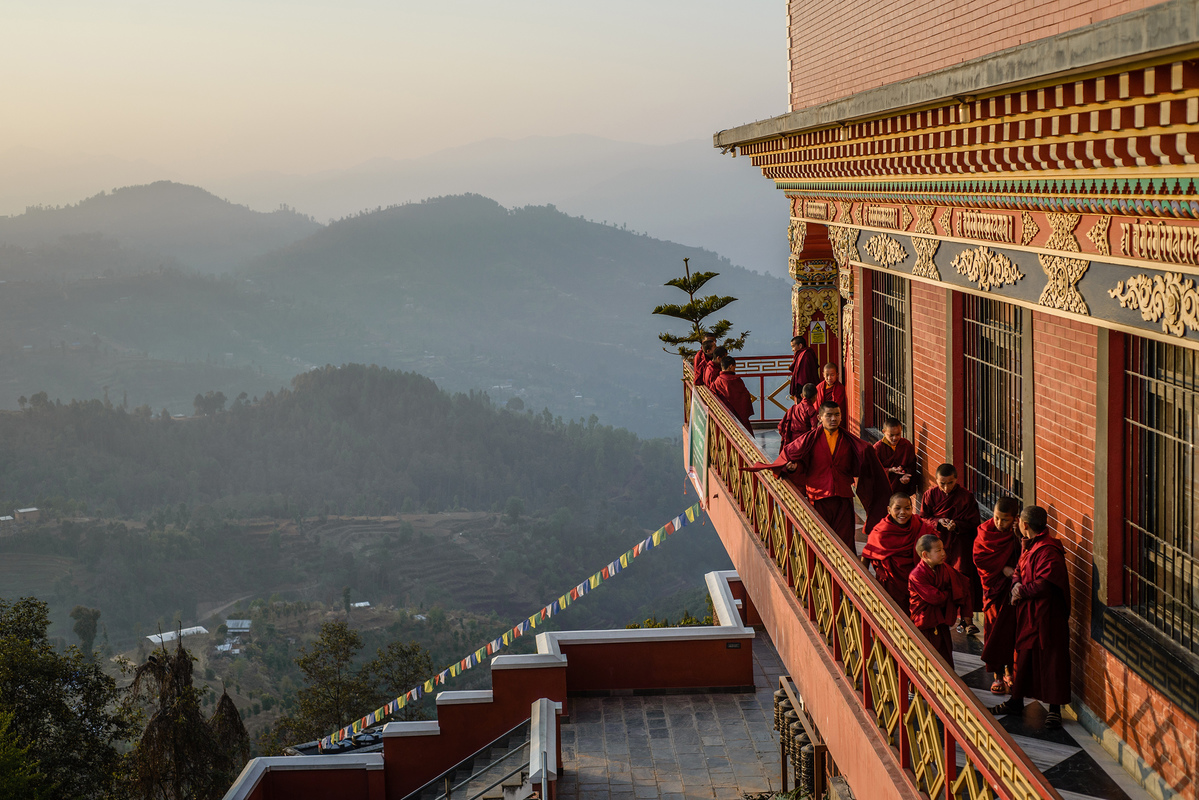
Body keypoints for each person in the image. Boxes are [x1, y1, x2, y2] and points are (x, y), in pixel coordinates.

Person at [746, 400, 890, 552]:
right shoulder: (810, 440)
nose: (833, 419)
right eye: (829, 415)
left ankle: (841, 574)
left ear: (841, 417)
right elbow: (796, 458)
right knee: (820, 541)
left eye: (837, 415)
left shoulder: (848, 441)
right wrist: (794, 468)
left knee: (845, 542)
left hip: (843, 497)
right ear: (820, 417)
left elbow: (860, 465)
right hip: (818, 498)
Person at [990, 506, 1072, 729]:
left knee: (1052, 660)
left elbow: (1045, 583)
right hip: (1029, 613)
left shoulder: (1048, 550)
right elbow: (1018, 569)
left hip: (1047, 615)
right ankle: (1016, 702)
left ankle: (1055, 709)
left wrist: (1020, 591)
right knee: (1024, 657)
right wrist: (1016, 584)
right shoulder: (1031, 545)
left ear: (1025, 525)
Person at [921, 464, 982, 633]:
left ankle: (967, 620)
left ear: (956, 480)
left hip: (960, 543)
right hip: (938, 542)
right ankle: (940, 616)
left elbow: (973, 522)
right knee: (939, 578)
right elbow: (924, 518)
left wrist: (956, 525)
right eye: (942, 483)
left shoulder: (966, 497)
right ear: (936, 480)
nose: (946, 487)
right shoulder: (930, 495)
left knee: (963, 578)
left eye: (950, 483)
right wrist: (938, 522)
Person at [974, 497, 1021, 694]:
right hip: (994, 589)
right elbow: (979, 558)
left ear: (1015, 519)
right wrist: (1002, 568)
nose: (999, 523)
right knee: (993, 630)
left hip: (1013, 590)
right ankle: (997, 675)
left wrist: (1018, 534)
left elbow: (1026, 555)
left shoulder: (1018, 534)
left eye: (1005, 520)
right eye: (996, 518)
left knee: (1012, 631)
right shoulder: (985, 532)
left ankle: (1010, 670)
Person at [861, 493, 937, 609]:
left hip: (917, 582)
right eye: (897, 508)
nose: (903, 512)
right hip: (891, 584)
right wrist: (861, 581)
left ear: (912, 509)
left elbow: (934, 547)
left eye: (907, 508)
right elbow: (867, 554)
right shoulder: (881, 532)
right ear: (889, 509)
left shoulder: (919, 525)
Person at [909, 534, 971, 668]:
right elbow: (935, 597)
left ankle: (945, 685)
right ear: (925, 555)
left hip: (941, 620)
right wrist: (949, 593)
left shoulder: (944, 569)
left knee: (944, 655)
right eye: (938, 551)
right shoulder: (917, 575)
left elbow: (962, 585)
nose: (943, 553)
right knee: (926, 657)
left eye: (942, 549)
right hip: (925, 621)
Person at [873, 417, 918, 497]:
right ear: (884, 432)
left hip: (901, 488)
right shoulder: (877, 448)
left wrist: (906, 474)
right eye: (891, 435)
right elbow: (873, 470)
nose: (895, 438)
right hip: (883, 489)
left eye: (898, 434)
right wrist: (890, 470)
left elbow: (912, 465)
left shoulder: (906, 445)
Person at [710, 356, 754, 432]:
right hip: (738, 416)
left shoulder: (717, 381)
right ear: (730, 366)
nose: (734, 369)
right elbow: (745, 396)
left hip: (724, 416)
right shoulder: (735, 380)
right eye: (734, 366)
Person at [777, 382, 818, 448]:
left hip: (792, 443)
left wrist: (787, 436)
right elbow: (814, 430)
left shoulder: (792, 409)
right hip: (804, 443)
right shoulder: (811, 411)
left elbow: (780, 426)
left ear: (802, 395)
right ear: (816, 396)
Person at [788, 335, 820, 401]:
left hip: (805, 386)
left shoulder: (806, 355)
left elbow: (806, 374)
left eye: (793, 346)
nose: (792, 349)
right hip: (801, 385)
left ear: (800, 346)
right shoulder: (800, 355)